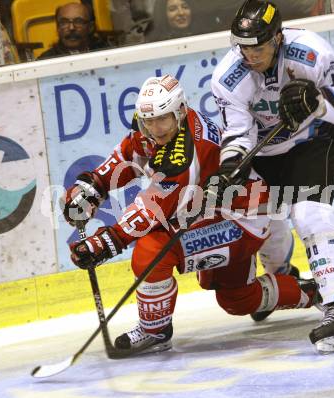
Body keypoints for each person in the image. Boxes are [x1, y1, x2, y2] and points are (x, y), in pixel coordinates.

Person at [62, 74, 320, 356]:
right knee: (237, 299)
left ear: (180, 112)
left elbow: (153, 210)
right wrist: (90, 188)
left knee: (151, 251)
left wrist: (106, 241)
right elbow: (125, 158)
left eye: (162, 119)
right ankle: (315, 292)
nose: (156, 128)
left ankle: (155, 331)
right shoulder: (155, 129)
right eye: (148, 120)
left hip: (240, 219)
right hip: (216, 209)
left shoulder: (187, 153)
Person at [209, 0, 334, 354]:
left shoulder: (312, 52)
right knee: (264, 225)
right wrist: (230, 165)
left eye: (258, 47)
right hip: (263, 153)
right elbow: (237, 133)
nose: (250, 55)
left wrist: (317, 103)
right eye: (243, 47)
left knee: (310, 215)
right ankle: (285, 279)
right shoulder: (227, 77)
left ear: (278, 38)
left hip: (311, 141)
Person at [37, 2, 108, 60]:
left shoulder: (107, 52)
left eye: (78, 21)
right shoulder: (46, 60)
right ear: (58, 28)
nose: (71, 28)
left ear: (90, 27)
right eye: (64, 22)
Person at [145, 0, 210, 43]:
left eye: (185, 7)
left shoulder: (207, 36)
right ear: (163, 15)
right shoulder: (154, 44)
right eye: (173, 9)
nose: (181, 13)